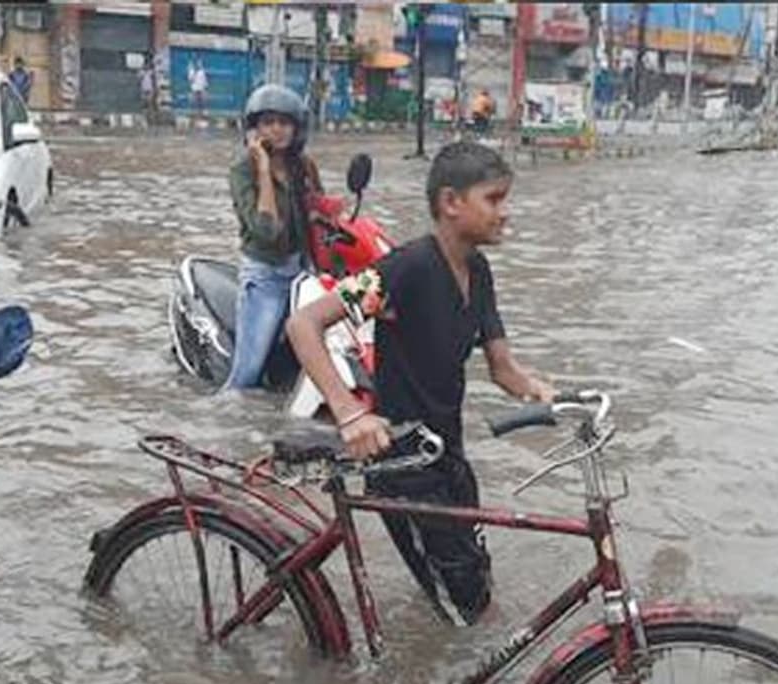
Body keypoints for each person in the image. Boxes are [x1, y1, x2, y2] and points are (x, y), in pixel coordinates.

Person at [286, 142, 555, 626]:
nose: (506, 213)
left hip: (448, 454)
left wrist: (547, 394)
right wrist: (350, 413)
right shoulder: (405, 270)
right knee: (465, 616)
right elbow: (304, 325)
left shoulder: (479, 270)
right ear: (451, 202)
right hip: (403, 463)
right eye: (494, 200)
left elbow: (503, 368)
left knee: (475, 579)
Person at [226, 85, 322, 390]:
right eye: (268, 122)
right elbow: (267, 231)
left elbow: (319, 216)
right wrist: (264, 171)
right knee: (247, 375)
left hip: (303, 275)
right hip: (266, 276)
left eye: (284, 122)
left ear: (297, 128)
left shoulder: (301, 165)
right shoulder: (243, 171)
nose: (277, 130)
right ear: (255, 128)